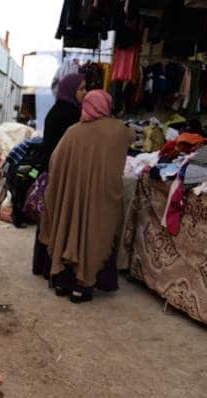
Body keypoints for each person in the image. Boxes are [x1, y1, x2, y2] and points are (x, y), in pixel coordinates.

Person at [38, 90, 133, 303]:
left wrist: (68, 186)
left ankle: (63, 282)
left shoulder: (73, 132)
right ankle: (82, 288)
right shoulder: (118, 131)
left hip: (70, 200)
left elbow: (55, 161)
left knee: (67, 230)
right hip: (99, 201)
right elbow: (131, 137)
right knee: (94, 236)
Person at [31, 73, 86, 279]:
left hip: (51, 170)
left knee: (49, 219)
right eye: (81, 89)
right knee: (57, 220)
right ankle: (51, 268)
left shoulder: (57, 109)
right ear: (71, 91)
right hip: (60, 173)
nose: (85, 93)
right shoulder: (71, 114)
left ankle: (41, 265)